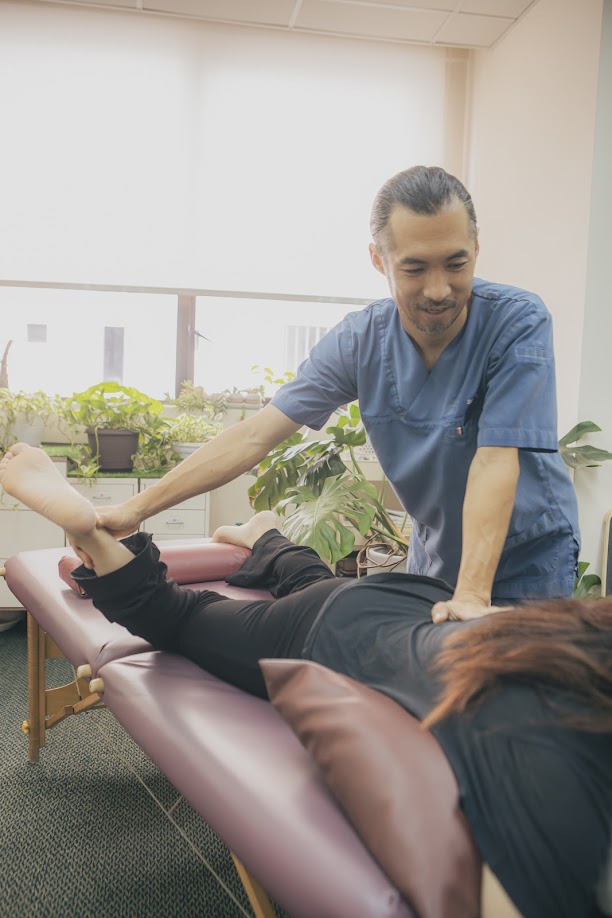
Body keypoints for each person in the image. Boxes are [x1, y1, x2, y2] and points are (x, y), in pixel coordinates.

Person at [1, 444, 610, 918]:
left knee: (314, 582)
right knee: (178, 616)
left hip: (420, 602)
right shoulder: (555, 782)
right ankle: (91, 534)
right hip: (332, 634)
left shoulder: (587, 646)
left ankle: (263, 535)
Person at [79, 165, 579, 622]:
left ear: (476, 249)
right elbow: (255, 436)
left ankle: (266, 537)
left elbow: (495, 460)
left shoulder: (516, 322)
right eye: (414, 268)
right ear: (378, 260)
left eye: (455, 263)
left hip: (527, 558)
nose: (438, 289)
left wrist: (472, 594)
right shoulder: (361, 341)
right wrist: (136, 509)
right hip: (437, 557)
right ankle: (265, 535)